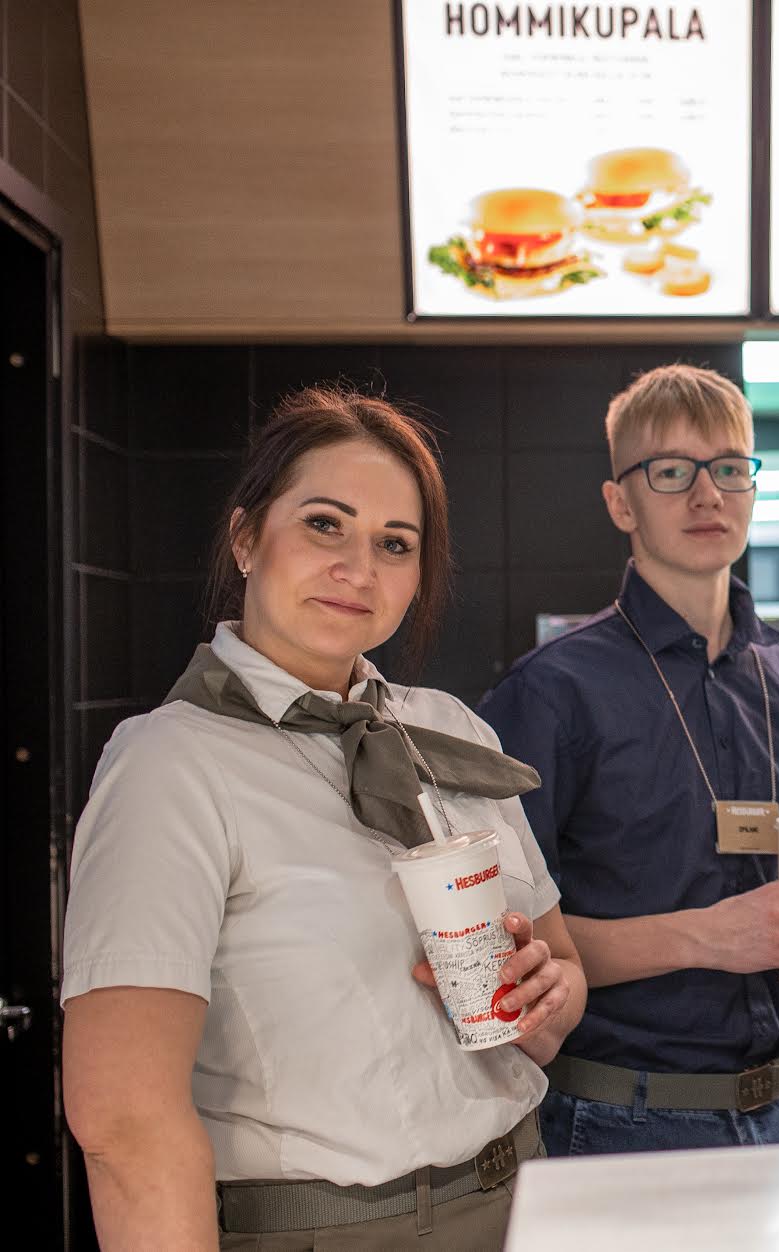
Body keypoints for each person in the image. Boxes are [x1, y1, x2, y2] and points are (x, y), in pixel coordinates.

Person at [61, 387, 587, 1250]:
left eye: (395, 544)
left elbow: (562, 977)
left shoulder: (450, 730)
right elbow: (124, 1124)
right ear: (245, 539)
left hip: (525, 1201)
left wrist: (549, 995)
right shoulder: (170, 765)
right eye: (324, 525)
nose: (360, 568)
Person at [479, 364, 779, 1155]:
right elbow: (499, 944)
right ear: (620, 501)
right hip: (621, 1120)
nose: (707, 495)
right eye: (670, 472)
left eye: (729, 468)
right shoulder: (551, 695)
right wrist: (705, 937)